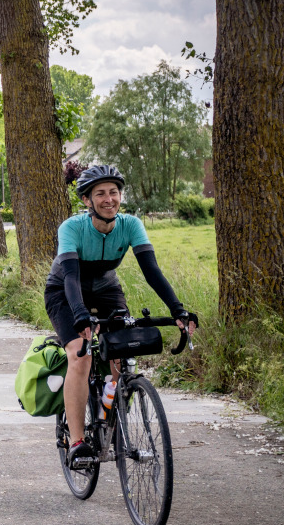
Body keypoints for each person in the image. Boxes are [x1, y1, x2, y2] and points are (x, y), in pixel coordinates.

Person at [45, 164, 197, 467]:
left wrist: (177, 310)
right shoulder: (71, 228)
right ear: (87, 201)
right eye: (100, 194)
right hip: (65, 291)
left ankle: (109, 411)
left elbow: (152, 272)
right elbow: (72, 278)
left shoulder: (130, 225)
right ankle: (76, 442)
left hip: (106, 288)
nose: (108, 199)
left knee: (123, 353)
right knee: (81, 354)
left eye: (113, 192)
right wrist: (80, 317)